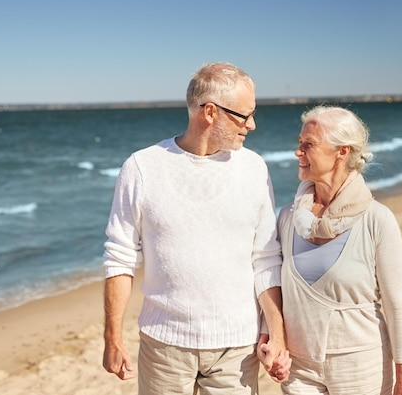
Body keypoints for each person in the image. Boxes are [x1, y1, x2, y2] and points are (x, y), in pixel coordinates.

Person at [102, 62, 291, 395]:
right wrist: (112, 338)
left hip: (237, 348)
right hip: (163, 347)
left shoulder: (254, 168)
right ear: (209, 112)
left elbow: (266, 257)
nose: (252, 125)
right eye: (244, 116)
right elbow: (119, 257)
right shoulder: (142, 167)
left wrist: (277, 332)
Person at [271, 105, 402, 394]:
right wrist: (273, 341)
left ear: (342, 152)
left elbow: (396, 306)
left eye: (308, 144)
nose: (298, 152)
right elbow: (275, 286)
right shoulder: (288, 217)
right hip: (298, 369)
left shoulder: (377, 220)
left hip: (360, 365)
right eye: (299, 143)